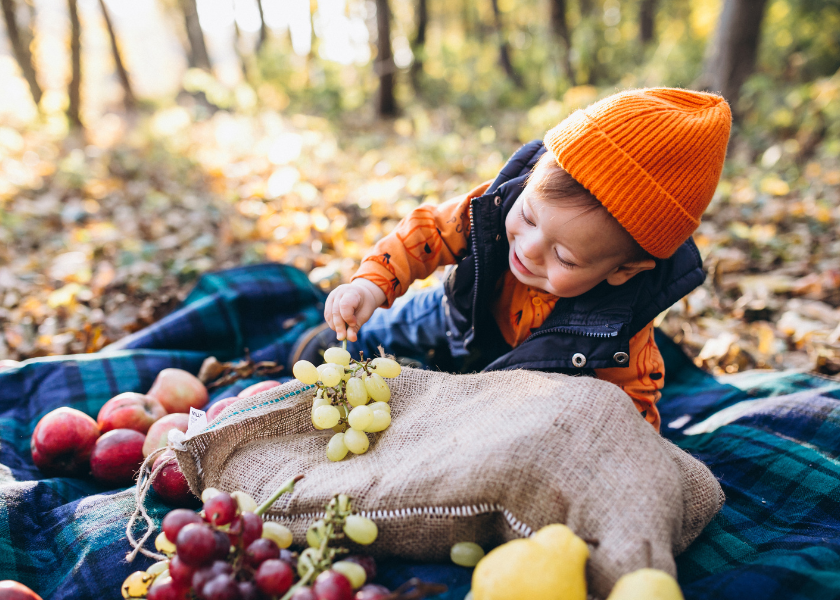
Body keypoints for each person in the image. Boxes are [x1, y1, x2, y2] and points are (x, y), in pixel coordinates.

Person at [290, 88, 731, 431]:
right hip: (454, 314)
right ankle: (316, 346)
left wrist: (627, 445)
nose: (530, 249)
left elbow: (633, 403)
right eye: (528, 215)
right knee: (372, 333)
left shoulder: (621, 333)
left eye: (564, 256)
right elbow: (426, 233)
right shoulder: (497, 202)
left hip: (529, 370)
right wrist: (370, 283)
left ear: (622, 270)